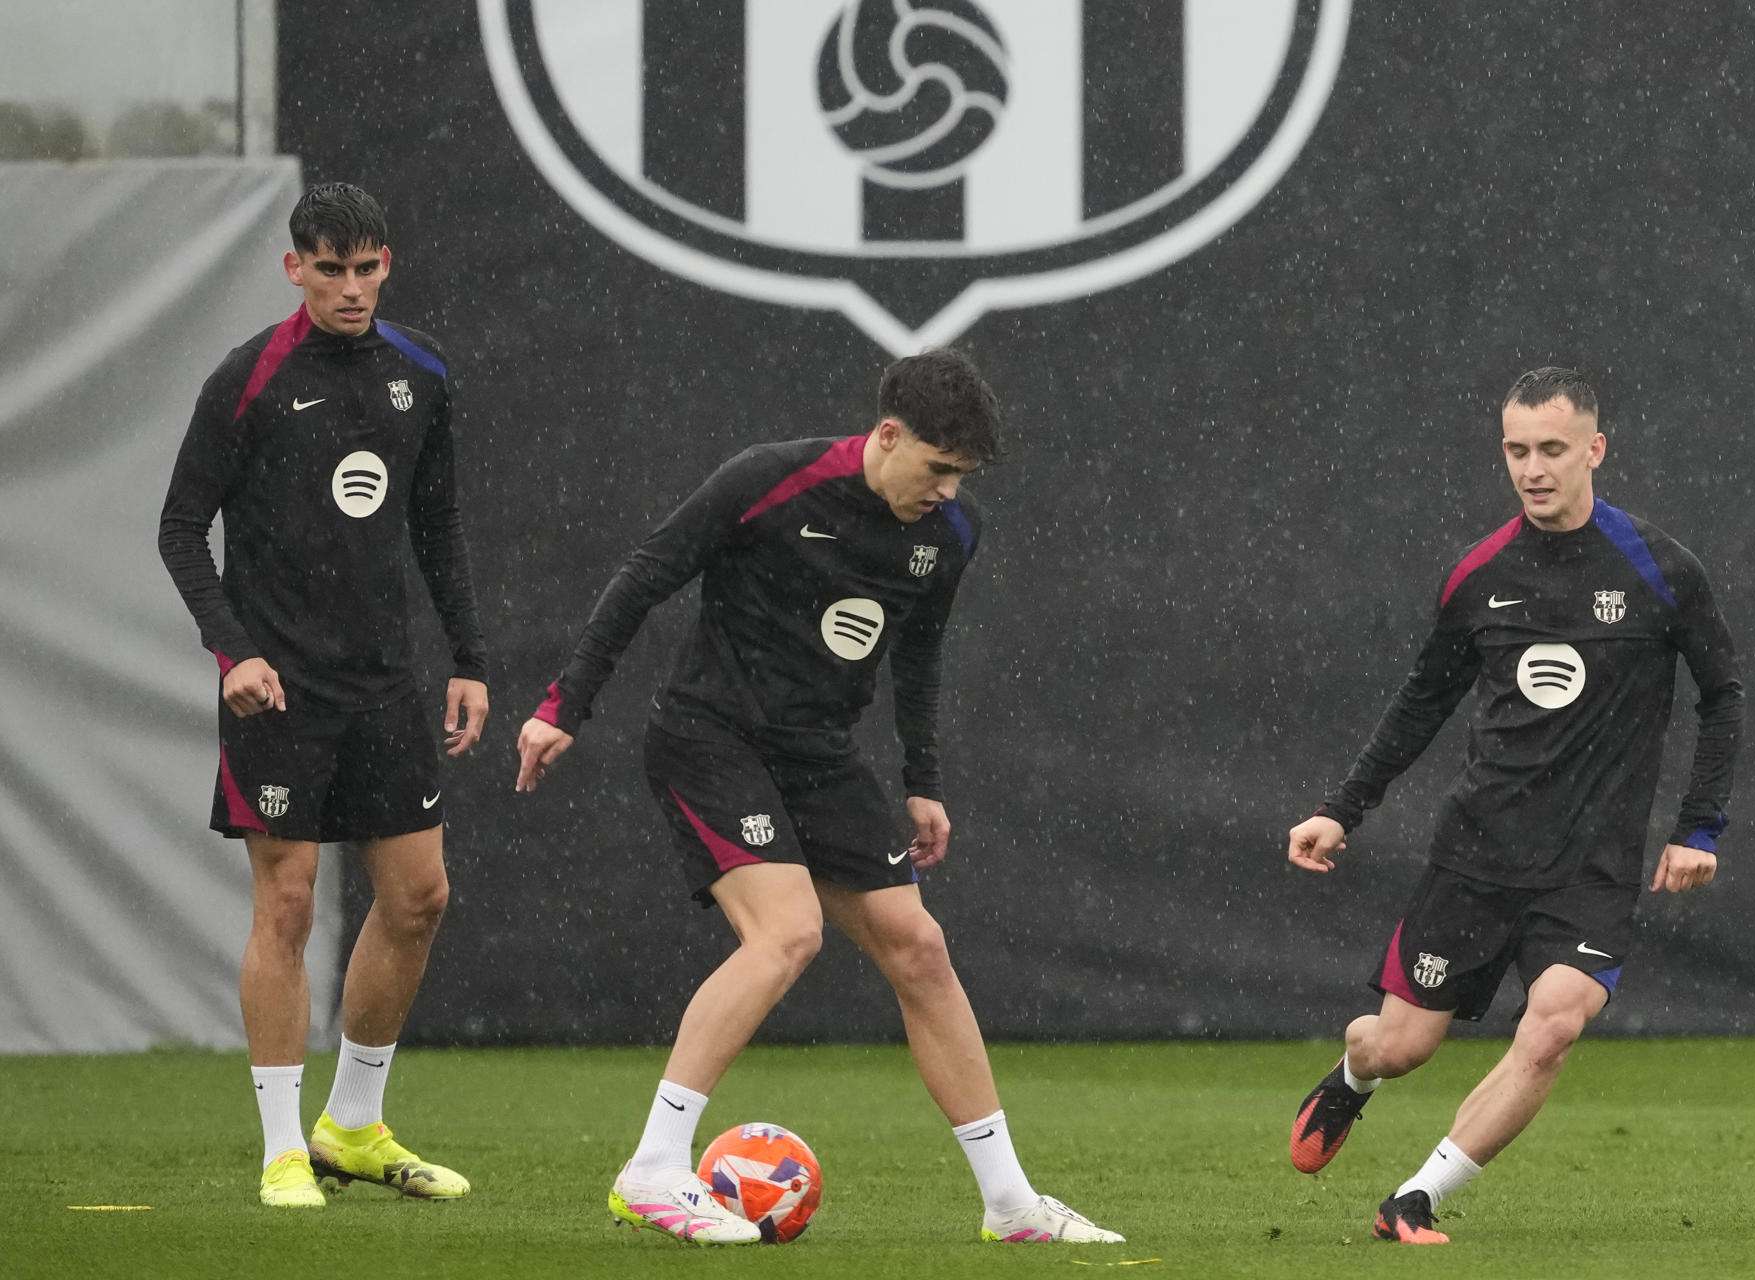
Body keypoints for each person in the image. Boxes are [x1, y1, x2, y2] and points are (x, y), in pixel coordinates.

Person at [515, 349, 1122, 1247]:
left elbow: (918, 656)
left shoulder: (949, 535)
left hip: (819, 755)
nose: (948, 492)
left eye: (963, 475)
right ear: (886, 436)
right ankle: (652, 1169)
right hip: (709, 737)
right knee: (788, 933)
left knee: (920, 948)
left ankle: (1011, 1206)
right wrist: (566, 703)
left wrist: (923, 782)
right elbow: (646, 575)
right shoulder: (770, 479)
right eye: (938, 468)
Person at [1284, 367, 1743, 1244]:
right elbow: (1421, 703)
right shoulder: (1478, 576)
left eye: (1553, 450)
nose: (1533, 468)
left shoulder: (1660, 569)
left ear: (1595, 450)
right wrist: (1343, 807)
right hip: (1477, 857)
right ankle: (1354, 1076)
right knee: (1402, 1046)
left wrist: (1699, 825)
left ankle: (1413, 1199)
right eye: (1516, 450)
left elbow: (1723, 694)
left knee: (1554, 1026)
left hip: (1591, 869)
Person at [158, 183, 488, 1209]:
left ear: (388, 263)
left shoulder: (422, 370)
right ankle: (280, 1146)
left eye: (367, 268)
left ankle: (352, 1123)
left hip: (384, 681)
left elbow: (436, 526)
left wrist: (468, 657)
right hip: (278, 690)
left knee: (419, 895)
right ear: (292, 268)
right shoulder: (248, 377)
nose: (350, 288)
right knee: (289, 901)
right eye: (329, 269)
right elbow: (179, 528)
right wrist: (235, 653)